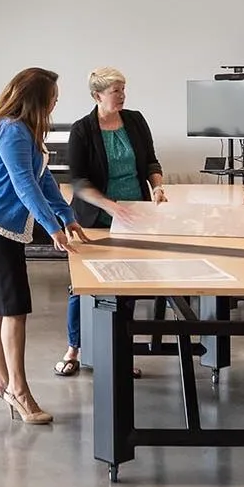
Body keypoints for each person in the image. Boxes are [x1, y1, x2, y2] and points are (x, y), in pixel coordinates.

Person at [0, 67, 91, 425]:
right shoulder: (11, 131)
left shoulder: (22, 131)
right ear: (37, 98)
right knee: (13, 308)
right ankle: (18, 391)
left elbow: (43, 178)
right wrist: (52, 228)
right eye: (52, 98)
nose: (55, 103)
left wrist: (67, 215)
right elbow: (24, 186)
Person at [54, 66, 165, 378]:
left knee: (126, 286)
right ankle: (74, 348)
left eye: (123, 89)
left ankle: (121, 351)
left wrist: (157, 186)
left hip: (134, 217)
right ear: (97, 95)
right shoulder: (82, 130)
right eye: (116, 91)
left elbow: (151, 162)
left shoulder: (136, 121)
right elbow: (78, 181)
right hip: (94, 219)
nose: (122, 96)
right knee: (82, 286)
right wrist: (110, 206)